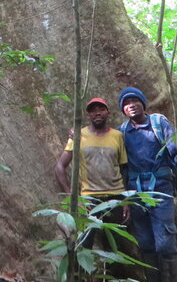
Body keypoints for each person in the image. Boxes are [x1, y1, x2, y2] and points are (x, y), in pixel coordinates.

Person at [118, 86, 177, 282]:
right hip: (135, 191)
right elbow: (120, 165)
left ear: (143, 104)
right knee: (144, 242)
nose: (131, 105)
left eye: (135, 101)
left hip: (161, 188)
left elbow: (176, 149)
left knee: (165, 243)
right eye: (126, 104)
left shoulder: (158, 123)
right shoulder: (122, 132)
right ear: (123, 110)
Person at [55, 97, 129, 250]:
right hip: (88, 199)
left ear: (108, 112)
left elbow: (124, 169)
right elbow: (60, 167)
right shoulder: (78, 135)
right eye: (93, 110)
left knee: (114, 247)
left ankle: (110, 273)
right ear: (88, 114)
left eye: (101, 109)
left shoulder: (117, 136)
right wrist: (71, 197)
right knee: (84, 245)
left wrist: (125, 200)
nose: (97, 113)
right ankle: (80, 274)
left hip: (115, 199)